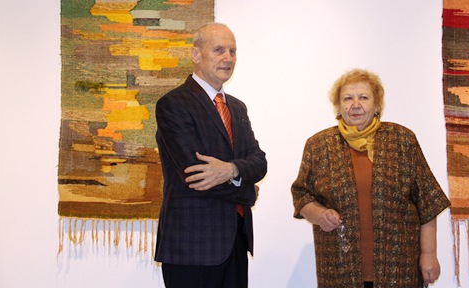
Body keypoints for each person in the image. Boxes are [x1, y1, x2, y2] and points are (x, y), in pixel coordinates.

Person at [291, 69, 450, 288]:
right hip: (340, 268)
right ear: (338, 106)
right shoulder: (319, 145)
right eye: (348, 98)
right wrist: (319, 215)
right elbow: (301, 195)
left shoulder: (402, 140)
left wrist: (429, 254)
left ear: (377, 105)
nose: (355, 104)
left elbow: (428, 202)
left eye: (364, 97)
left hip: (399, 268)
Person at [154, 22, 267, 288]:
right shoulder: (173, 104)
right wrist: (248, 192)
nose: (228, 58)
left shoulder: (237, 108)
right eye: (219, 50)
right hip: (191, 247)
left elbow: (259, 162)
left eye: (232, 51)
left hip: (235, 243)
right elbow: (196, 175)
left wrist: (231, 170)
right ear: (196, 54)